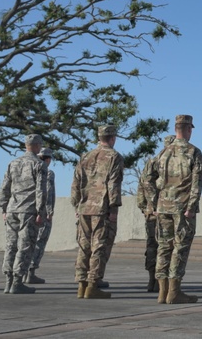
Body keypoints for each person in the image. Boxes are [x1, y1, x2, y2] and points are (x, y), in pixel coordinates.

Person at [150, 114, 202, 304]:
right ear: (189, 129)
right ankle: (173, 292)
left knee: (164, 247)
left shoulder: (163, 152)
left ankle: (162, 292)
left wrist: (153, 203)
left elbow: (149, 179)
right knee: (180, 248)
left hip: (163, 206)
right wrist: (191, 207)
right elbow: (196, 185)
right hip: (182, 208)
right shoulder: (193, 152)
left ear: (175, 129)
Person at [70, 124, 124, 299]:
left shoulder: (85, 156)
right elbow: (113, 184)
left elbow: (76, 184)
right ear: (112, 138)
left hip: (84, 207)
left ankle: (81, 284)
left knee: (84, 246)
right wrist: (114, 207)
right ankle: (93, 284)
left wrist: (76, 205)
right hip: (102, 208)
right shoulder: (114, 157)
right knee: (99, 246)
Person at [0, 134, 47, 294]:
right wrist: (41, 211)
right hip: (29, 209)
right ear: (38, 146)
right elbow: (40, 190)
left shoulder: (13, 163)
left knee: (10, 245)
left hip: (12, 208)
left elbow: (4, 187)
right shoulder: (39, 164)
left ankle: (8, 281)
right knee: (25, 245)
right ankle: (17, 281)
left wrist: (4, 208)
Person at [136, 134, 175, 293]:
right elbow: (145, 184)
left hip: (153, 211)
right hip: (164, 210)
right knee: (165, 245)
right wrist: (154, 204)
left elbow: (142, 186)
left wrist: (145, 207)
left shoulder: (152, 161)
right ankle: (158, 281)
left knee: (154, 245)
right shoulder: (167, 162)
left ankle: (154, 280)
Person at [27, 147, 56, 284]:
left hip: (28, 211)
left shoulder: (29, 169)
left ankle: (23, 271)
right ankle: (30, 272)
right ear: (48, 159)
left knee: (28, 242)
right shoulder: (48, 172)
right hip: (42, 212)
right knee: (39, 242)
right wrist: (49, 211)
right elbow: (47, 192)